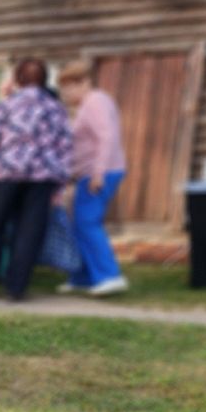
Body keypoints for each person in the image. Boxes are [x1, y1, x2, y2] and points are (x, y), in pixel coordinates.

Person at [0, 58, 73, 302]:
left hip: (4, 175)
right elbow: (66, 147)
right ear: (44, 80)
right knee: (29, 233)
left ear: (18, 79)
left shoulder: (4, 106)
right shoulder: (56, 109)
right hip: (41, 178)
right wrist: (60, 180)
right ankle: (16, 288)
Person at [57, 60, 128, 296]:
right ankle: (84, 276)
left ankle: (110, 276)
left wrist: (98, 172)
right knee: (79, 225)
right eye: (63, 89)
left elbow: (106, 137)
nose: (65, 94)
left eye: (68, 88)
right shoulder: (88, 105)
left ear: (84, 83)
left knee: (88, 223)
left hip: (101, 173)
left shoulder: (95, 101)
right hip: (89, 174)